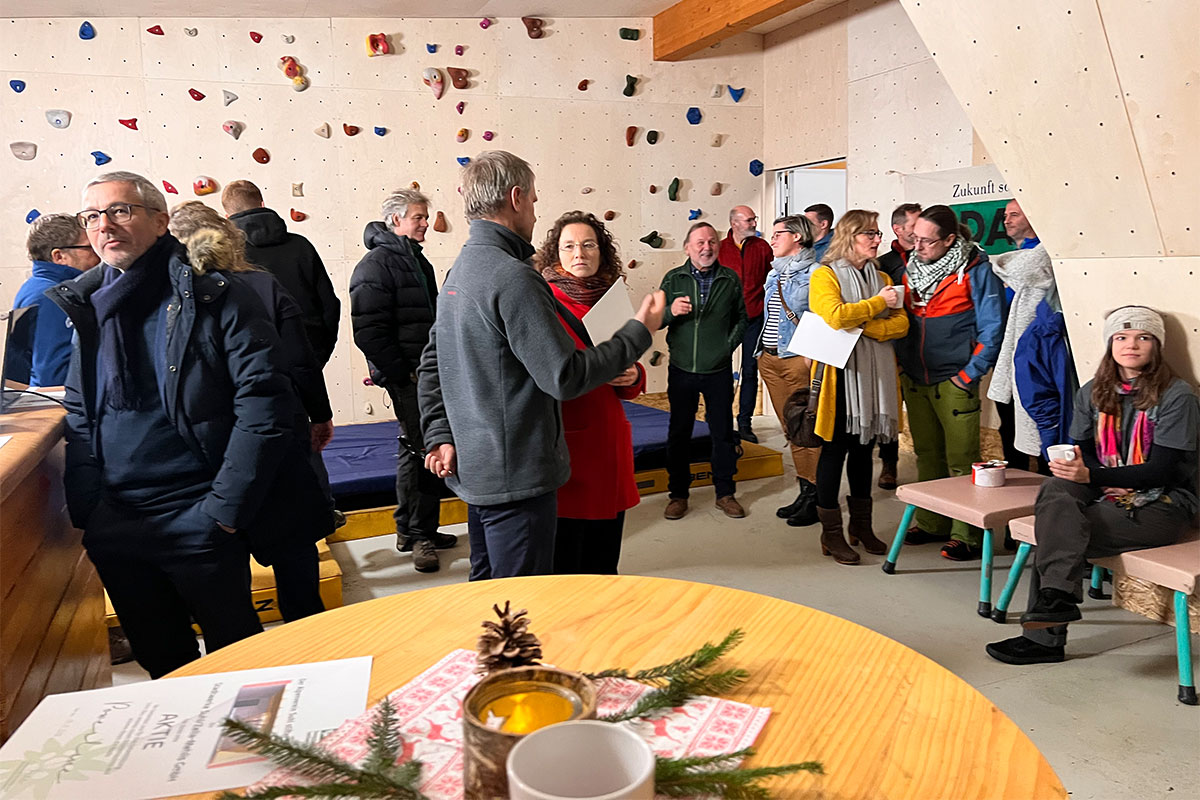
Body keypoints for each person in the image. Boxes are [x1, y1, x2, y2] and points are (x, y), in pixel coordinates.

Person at [48, 171, 303, 678]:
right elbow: (79, 410)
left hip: (199, 515)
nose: (105, 225)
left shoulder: (215, 296)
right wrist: (90, 508)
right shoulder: (87, 305)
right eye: (92, 216)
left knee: (239, 668)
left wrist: (224, 510)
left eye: (120, 211)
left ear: (161, 221)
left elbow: (265, 403)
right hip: (119, 523)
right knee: (162, 667)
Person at [417, 151, 662, 581]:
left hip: (481, 470)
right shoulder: (513, 276)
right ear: (515, 198)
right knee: (523, 609)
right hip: (518, 477)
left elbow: (432, 364)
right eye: (532, 199)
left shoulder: (460, 270)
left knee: (491, 598)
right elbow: (564, 377)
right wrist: (639, 331)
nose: (534, 210)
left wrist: (438, 433)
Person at [987, 306, 1198, 665]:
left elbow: (1162, 472)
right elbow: (1083, 451)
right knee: (1055, 491)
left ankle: (1046, 634)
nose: (1131, 345)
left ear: (1156, 346)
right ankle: (1057, 601)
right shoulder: (1093, 392)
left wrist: (1091, 477)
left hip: (1164, 503)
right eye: (1121, 337)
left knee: (1056, 532)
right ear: (1110, 345)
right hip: (1106, 489)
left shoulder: (1178, 397)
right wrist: (1074, 470)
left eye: (1142, 337)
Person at [167, 201, 335, 622]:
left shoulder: (169, 300)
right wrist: (319, 413)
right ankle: (311, 641)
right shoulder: (261, 286)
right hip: (276, 432)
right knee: (295, 558)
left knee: (227, 577)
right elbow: (300, 360)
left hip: (208, 449)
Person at [350, 188, 456, 573]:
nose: (426, 223)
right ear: (396, 220)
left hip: (423, 373)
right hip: (409, 375)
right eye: (418, 217)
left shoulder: (417, 262)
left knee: (415, 446)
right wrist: (403, 373)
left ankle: (414, 529)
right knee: (423, 447)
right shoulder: (375, 265)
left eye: (425, 217)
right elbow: (369, 332)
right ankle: (418, 535)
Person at [536, 211, 647, 574]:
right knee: (568, 562)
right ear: (556, 254)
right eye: (569, 246)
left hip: (608, 440)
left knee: (605, 559)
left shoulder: (610, 298)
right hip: (566, 442)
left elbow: (626, 373)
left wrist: (632, 375)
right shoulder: (543, 302)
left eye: (588, 245)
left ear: (602, 252)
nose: (579, 253)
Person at [895, 204, 1005, 561]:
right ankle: (932, 522)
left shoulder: (976, 269)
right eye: (915, 239)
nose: (918, 248)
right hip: (916, 376)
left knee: (962, 459)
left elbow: (992, 328)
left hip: (954, 379)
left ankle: (967, 534)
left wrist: (968, 375)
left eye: (927, 242)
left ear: (950, 240)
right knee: (926, 455)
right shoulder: (911, 269)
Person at [808, 210, 908, 564]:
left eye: (878, 233)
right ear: (849, 236)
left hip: (873, 380)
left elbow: (901, 324)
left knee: (864, 453)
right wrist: (879, 304)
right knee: (834, 454)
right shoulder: (824, 275)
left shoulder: (881, 274)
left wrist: (866, 328)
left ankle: (861, 528)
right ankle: (830, 533)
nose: (877, 240)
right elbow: (834, 316)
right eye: (870, 234)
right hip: (840, 380)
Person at [659, 222, 749, 521]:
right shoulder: (673, 279)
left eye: (711, 241)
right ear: (687, 247)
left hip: (718, 370)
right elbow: (655, 319)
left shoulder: (730, 279)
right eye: (699, 242)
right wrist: (670, 311)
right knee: (679, 432)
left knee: (722, 432)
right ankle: (678, 495)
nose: (706, 247)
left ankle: (725, 493)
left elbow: (741, 318)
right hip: (682, 369)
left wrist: (727, 347)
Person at [223, 180, 340, 367]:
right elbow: (329, 305)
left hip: (252, 362)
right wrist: (319, 353)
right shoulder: (301, 246)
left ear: (227, 216)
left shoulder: (226, 256)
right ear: (262, 204)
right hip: (306, 353)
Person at [755, 214, 822, 527]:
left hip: (797, 359)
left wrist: (811, 354)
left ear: (797, 236)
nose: (772, 238)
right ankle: (805, 489)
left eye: (778, 233)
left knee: (808, 428)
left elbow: (823, 318)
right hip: (769, 359)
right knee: (790, 429)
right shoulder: (775, 273)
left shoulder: (816, 273)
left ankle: (817, 495)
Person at [988, 200, 1058, 471]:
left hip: (1038, 357)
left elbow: (1017, 269)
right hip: (1009, 352)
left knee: (1039, 425)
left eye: (1014, 214)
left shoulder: (1041, 255)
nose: (1007, 220)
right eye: (1005, 215)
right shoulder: (1014, 257)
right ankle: (1015, 482)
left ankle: (1043, 488)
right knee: (1009, 424)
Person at [14, 213, 100, 386]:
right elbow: (54, 375)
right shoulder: (53, 296)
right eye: (90, 248)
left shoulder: (37, 286)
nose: (99, 254)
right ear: (59, 257)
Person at [873, 202, 921, 490]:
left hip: (924, 347)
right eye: (914, 226)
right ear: (898, 229)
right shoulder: (884, 264)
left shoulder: (932, 258)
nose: (920, 232)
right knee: (890, 411)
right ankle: (888, 464)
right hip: (892, 346)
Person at [718, 205, 774, 444]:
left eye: (754, 219)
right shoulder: (718, 249)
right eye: (749, 220)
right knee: (718, 372)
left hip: (755, 319)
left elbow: (772, 281)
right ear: (734, 223)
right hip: (724, 321)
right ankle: (720, 422)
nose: (754, 223)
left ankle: (745, 424)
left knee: (750, 372)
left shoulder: (762, 247)